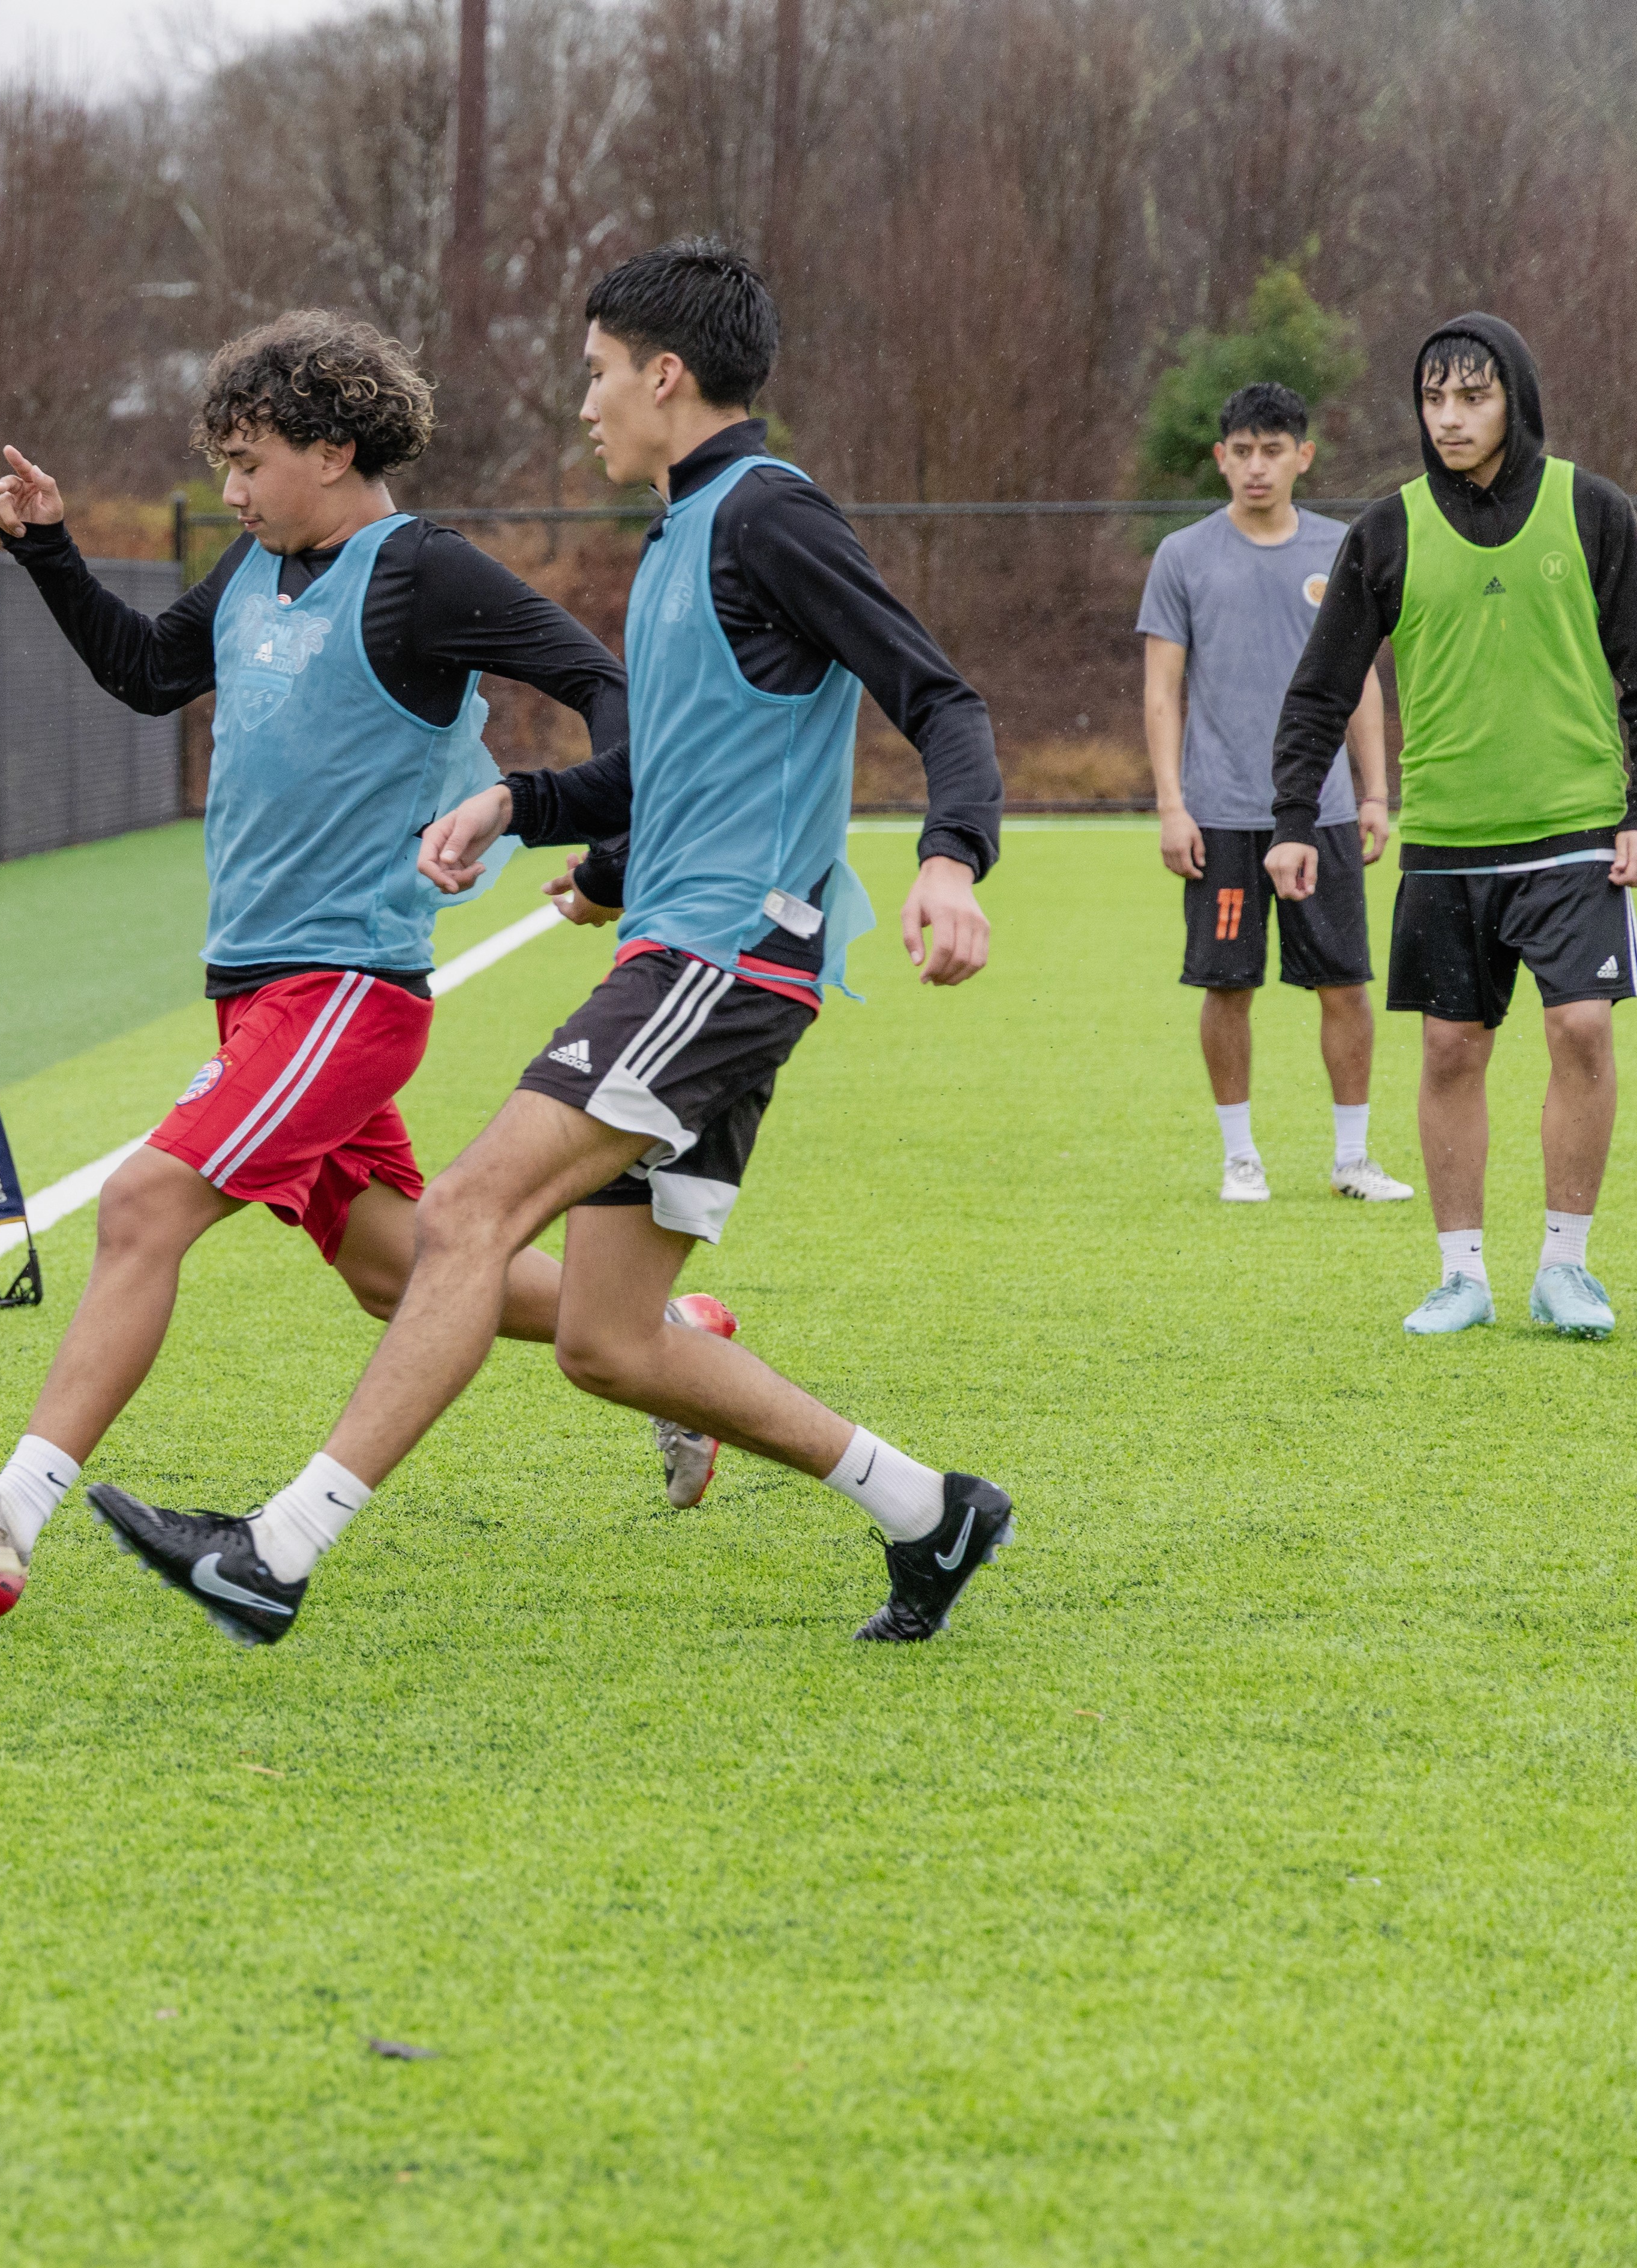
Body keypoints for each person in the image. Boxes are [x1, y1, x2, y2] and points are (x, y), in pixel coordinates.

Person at [88, 237, 1013, 1649]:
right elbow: (672, 774)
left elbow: (940, 697)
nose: (582, 404)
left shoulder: (769, 514)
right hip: (690, 943)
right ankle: (930, 1511)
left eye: (594, 374)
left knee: (461, 1214)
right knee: (607, 1339)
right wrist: (536, 816)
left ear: (665, 372)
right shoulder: (682, 538)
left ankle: (276, 1549)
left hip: (725, 957)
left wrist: (952, 858)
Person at [0, 309, 731, 1629]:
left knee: (143, 1204)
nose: (228, 489)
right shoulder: (255, 565)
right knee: (400, 1271)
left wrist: (562, 816)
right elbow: (150, 672)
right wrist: (48, 549)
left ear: (333, 450)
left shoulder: (424, 570)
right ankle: (690, 1348)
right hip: (255, 987)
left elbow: (610, 691)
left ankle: (9, 1517)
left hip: (347, 993)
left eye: (248, 459)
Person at [1266, 315, 1637, 1338]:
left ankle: (1567, 1269)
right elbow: (1321, 689)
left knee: (1580, 1028)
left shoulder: (1592, 509)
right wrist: (1289, 819)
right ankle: (1462, 1276)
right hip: (1448, 841)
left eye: (1472, 397)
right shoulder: (1389, 529)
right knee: (1452, 1050)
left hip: (1578, 829)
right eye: (1434, 400)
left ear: (1514, 399)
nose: (1449, 419)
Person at [1139, 381, 1407, 1205]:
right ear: (1221, 459)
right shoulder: (1183, 557)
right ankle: (1240, 1158)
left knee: (1345, 984)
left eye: (1274, 450)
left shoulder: (1342, 550)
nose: (1258, 467)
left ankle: (1353, 1158)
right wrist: (1173, 804)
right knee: (1228, 984)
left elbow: (1359, 680)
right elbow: (1161, 692)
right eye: (1243, 452)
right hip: (1220, 814)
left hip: (1322, 811)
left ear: (1304, 456)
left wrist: (1372, 792)